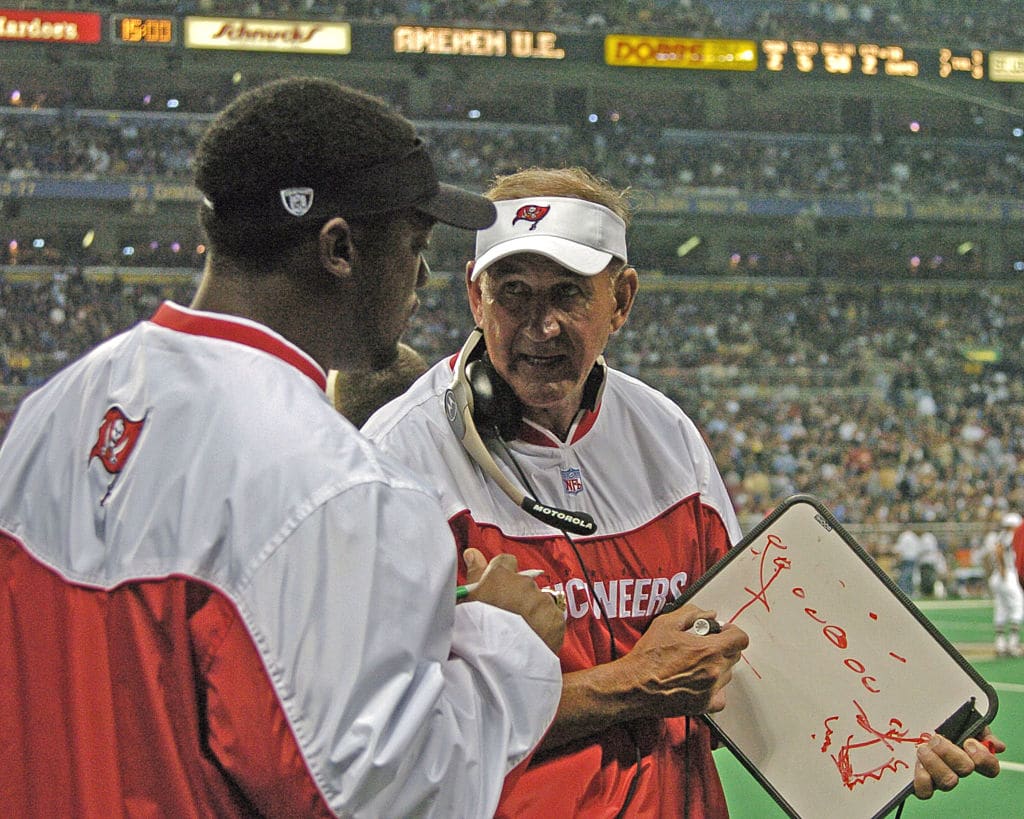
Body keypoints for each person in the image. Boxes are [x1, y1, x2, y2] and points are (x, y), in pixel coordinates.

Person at [0, 77, 566, 818]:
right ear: (338, 249)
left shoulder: (52, 410)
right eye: (414, 245)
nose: (422, 277)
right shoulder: (338, 487)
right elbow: (379, 800)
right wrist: (506, 645)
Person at [363, 166, 1005, 816]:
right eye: (513, 294)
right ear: (476, 299)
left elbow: (743, 668)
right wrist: (632, 684)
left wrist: (900, 737)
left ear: (622, 299)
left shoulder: (670, 439)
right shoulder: (399, 457)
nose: (542, 323)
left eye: (568, 293)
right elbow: (384, 734)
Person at [980, 511, 1024, 657]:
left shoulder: (999, 536)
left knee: (1001, 608)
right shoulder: (1011, 536)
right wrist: (1003, 567)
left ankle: (1000, 644)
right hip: (1009, 574)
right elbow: (999, 551)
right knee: (1018, 606)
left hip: (998, 576)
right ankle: (1013, 643)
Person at [893, 526, 922, 597]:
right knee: (910, 576)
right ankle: (910, 592)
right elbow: (919, 549)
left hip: (906, 558)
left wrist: (897, 559)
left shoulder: (904, 536)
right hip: (913, 558)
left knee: (904, 575)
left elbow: (899, 549)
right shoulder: (914, 536)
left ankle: (903, 592)